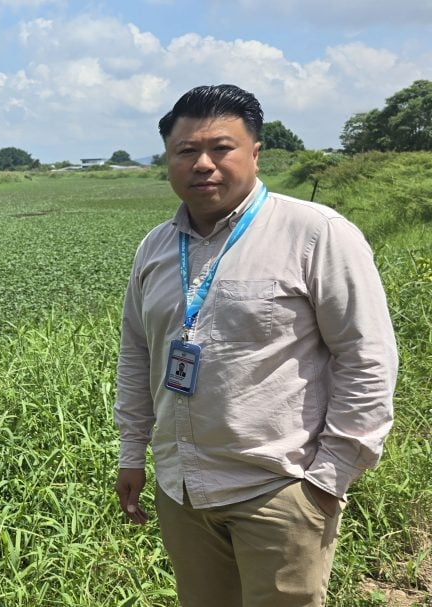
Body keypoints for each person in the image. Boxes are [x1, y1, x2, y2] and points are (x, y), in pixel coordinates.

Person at [113, 84, 398, 606]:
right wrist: (133, 453)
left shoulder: (315, 233)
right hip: (182, 491)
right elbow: (137, 354)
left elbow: (366, 357)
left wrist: (326, 480)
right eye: (185, 151)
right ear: (167, 159)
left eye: (221, 148)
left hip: (279, 488)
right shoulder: (154, 248)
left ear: (255, 152)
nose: (203, 164)